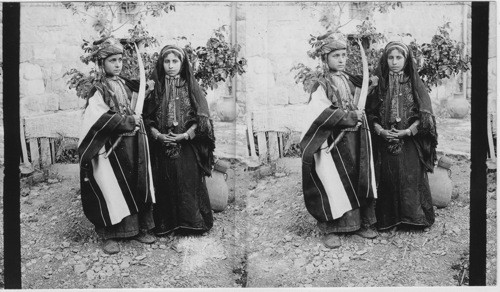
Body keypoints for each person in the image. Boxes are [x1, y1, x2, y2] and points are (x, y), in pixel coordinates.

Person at [78, 36, 156, 254]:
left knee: (137, 183)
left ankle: (141, 228)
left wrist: (145, 92)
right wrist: (125, 121)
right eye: (112, 60)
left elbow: (135, 103)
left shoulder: (125, 83)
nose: (118, 64)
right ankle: (111, 234)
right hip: (111, 148)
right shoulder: (99, 89)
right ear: (102, 63)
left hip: (134, 143)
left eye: (120, 59)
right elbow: (97, 116)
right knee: (111, 188)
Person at [300, 34, 378, 249]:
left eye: (344, 55)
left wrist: (369, 88)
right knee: (333, 182)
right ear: (326, 59)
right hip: (333, 142)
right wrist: (346, 117)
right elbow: (319, 111)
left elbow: (360, 101)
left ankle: (361, 223)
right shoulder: (322, 84)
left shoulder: (350, 79)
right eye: (336, 56)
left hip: (356, 139)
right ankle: (331, 228)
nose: (341, 59)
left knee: (358, 178)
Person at [143, 44, 215, 236]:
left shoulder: (191, 86)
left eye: (175, 61)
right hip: (161, 146)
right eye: (167, 61)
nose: (171, 65)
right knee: (164, 183)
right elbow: (145, 117)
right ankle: (166, 225)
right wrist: (158, 135)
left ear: (182, 64)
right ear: (162, 63)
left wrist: (185, 135)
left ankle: (192, 224)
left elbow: (202, 118)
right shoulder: (155, 87)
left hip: (187, 146)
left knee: (187, 182)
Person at [366, 41, 438, 231]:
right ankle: (389, 220)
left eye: (399, 57)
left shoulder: (414, 83)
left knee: (410, 178)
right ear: (386, 59)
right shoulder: (379, 84)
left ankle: (414, 219)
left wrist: (407, 131)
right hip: (385, 141)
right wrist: (380, 131)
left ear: (406, 60)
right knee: (388, 178)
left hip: (409, 142)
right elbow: (369, 112)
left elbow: (425, 114)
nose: (394, 62)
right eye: (391, 57)